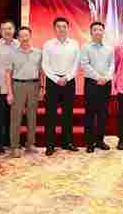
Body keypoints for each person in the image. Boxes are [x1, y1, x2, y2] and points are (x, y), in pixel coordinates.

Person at [42, 17, 80, 156]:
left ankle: (67, 142)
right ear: (54, 28)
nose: (61, 29)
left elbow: (76, 65)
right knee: (50, 114)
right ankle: (50, 145)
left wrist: (67, 78)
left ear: (68, 28)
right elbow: (45, 65)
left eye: (64, 26)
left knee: (68, 114)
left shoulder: (74, 44)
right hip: (53, 82)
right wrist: (57, 79)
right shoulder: (48, 44)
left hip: (69, 82)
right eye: (58, 26)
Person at [5, 26, 44, 158]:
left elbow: (41, 72)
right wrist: (10, 93)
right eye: (21, 36)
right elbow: (8, 74)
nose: (24, 38)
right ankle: (15, 146)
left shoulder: (38, 52)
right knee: (16, 117)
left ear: (30, 36)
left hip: (34, 85)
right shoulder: (12, 53)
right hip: (18, 85)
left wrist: (42, 88)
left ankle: (30, 144)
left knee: (32, 116)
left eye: (26, 35)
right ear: (18, 38)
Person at [80, 21, 114, 153]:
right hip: (91, 84)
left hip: (105, 84)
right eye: (95, 30)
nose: (98, 32)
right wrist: (98, 77)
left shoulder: (109, 48)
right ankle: (89, 143)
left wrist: (106, 77)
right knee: (90, 113)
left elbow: (112, 65)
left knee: (103, 114)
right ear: (91, 32)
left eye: (100, 29)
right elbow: (85, 65)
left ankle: (100, 141)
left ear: (103, 32)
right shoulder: (85, 47)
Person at [0, 20, 19, 154]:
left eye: (10, 28)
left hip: (15, 87)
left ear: (14, 30)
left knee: (12, 116)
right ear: (0, 31)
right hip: (0, 86)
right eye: (4, 29)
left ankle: (9, 141)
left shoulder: (18, 44)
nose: (7, 31)